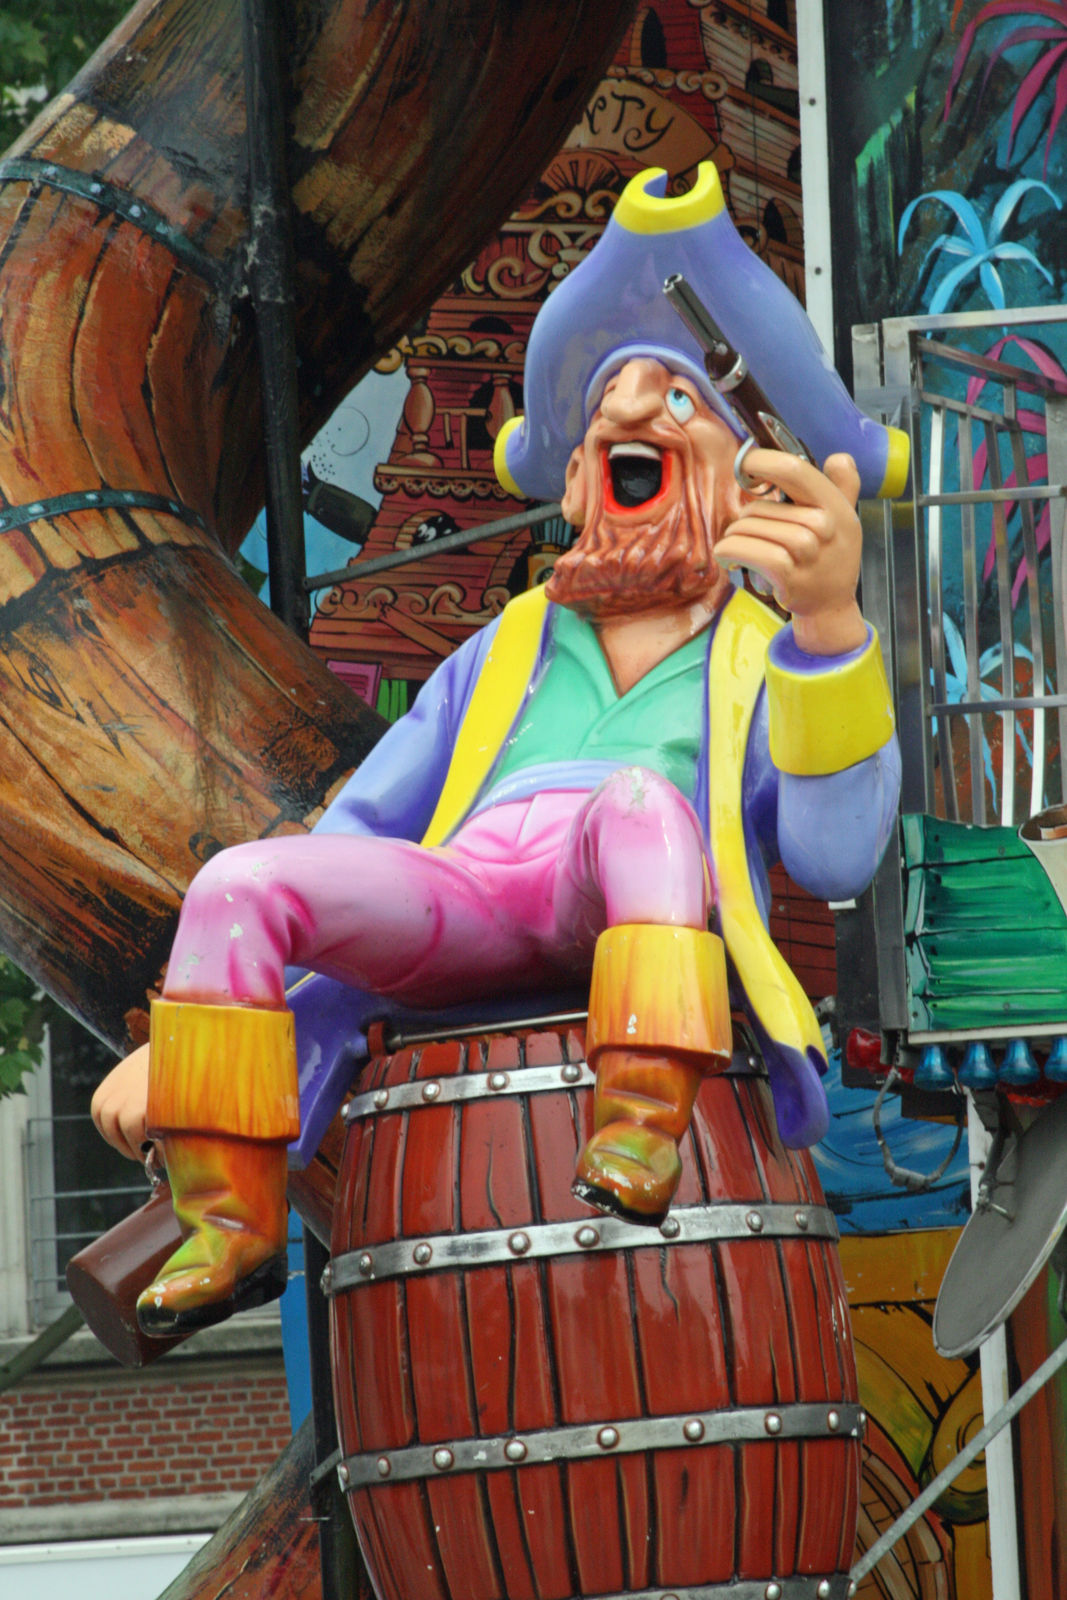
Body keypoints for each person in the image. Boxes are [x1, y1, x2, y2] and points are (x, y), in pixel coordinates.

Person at [92, 162, 904, 1336]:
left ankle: (641, 1118)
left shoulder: (763, 654)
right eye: (610, 399)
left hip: (625, 892)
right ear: (573, 479)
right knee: (240, 881)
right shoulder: (505, 645)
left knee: (640, 801)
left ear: (744, 482)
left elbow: (833, 855)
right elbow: (366, 826)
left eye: (678, 401)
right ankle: (228, 1214)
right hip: (466, 896)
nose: (631, 412)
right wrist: (179, 1050)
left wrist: (829, 631)